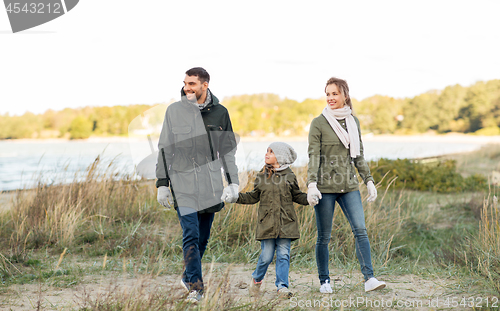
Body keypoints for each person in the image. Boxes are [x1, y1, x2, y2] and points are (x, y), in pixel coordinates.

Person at [156, 67, 239, 303]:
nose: (186, 87)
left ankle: (187, 275)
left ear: (205, 85)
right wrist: (162, 183)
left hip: (211, 185)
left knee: (202, 238)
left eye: (192, 83)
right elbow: (165, 149)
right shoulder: (174, 111)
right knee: (190, 233)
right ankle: (196, 287)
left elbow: (228, 152)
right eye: (185, 83)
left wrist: (233, 183)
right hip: (182, 184)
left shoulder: (220, 113)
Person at [306, 77, 386, 293]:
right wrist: (311, 183)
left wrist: (368, 180)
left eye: (335, 94)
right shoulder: (319, 122)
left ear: (345, 95)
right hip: (325, 186)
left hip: (349, 185)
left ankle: (369, 278)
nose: (330, 98)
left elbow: (358, 154)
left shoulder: (354, 121)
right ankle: (325, 281)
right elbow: (314, 155)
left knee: (360, 229)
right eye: (328, 94)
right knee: (324, 236)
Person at [229, 142, 309, 299]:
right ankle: (256, 279)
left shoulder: (290, 176)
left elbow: (297, 195)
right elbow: (253, 197)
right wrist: (236, 197)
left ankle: (282, 287)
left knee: (284, 254)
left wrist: (310, 198)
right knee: (266, 256)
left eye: (271, 152)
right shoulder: (262, 176)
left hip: (287, 223)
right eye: (267, 151)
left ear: (280, 157)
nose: (267, 154)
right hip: (267, 224)